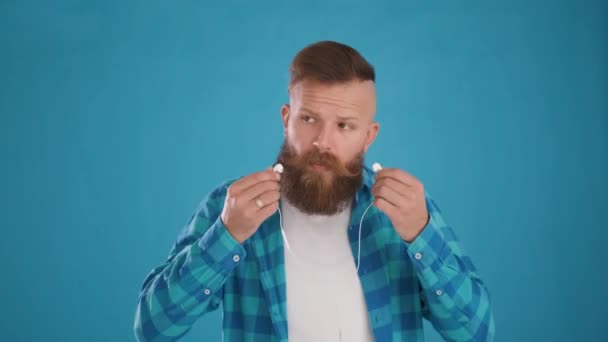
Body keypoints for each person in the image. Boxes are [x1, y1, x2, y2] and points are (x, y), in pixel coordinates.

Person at [133, 41, 495, 342]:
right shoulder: (231, 206)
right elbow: (153, 328)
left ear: (368, 136)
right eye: (309, 119)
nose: (322, 141)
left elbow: (477, 332)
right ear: (286, 119)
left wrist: (421, 236)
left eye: (344, 125)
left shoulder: (406, 212)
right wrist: (227, 235)